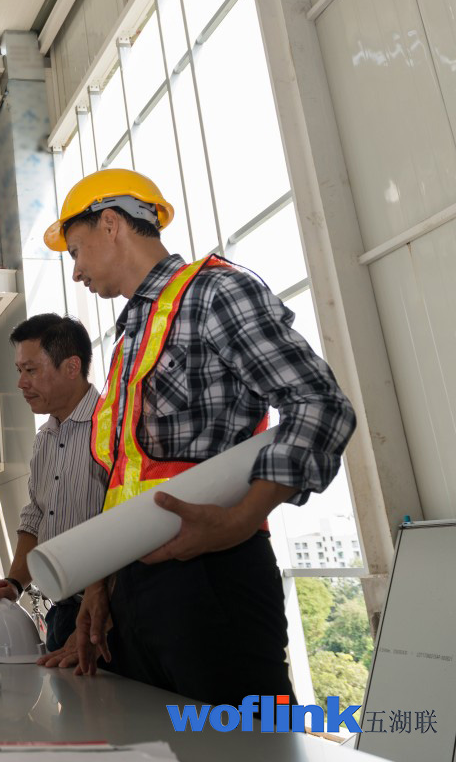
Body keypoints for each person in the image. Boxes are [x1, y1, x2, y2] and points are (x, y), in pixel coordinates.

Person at [40, 168, 356, 707]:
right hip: (134, 589)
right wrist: (101, 583)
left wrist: (239, 520)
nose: (76, 272)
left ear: (110, 223)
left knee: (243, 743)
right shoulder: (132, 335)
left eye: (75, 251)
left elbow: (319, 404)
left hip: (214, 578)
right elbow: (127, 476)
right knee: (154, 739)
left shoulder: (216, 293)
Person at [0, 314, 106, 653]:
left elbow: (130, 528)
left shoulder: (112, 428)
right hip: (62, 612)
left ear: (72, 367)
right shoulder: (45, 438)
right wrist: (14, 584)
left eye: (31, 370)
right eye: (19, 370)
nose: (20, 383)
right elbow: (36, 518)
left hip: (105, 614)